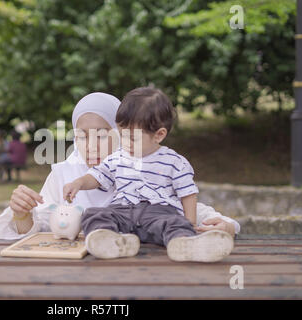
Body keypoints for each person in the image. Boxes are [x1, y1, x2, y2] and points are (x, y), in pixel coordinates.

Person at [0, 92, 240, 243]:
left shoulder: (143, 165)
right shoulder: (65, 173)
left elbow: (191, 211)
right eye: (82, 136)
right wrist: (21, 214)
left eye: (102, 134)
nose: (91, 146)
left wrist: (226, 226)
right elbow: (40, 224)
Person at [63, 87, 234, 262]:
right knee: (94, 214)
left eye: (132, 138)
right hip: (123, 210)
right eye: (122, 135)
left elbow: (188, 194)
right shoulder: (117, 158)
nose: (125, 143)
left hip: (158, 213)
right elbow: (97, 176)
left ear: (159, 135)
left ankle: (186, 244)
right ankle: (112, 241)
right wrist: (79, 183)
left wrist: (190, 224)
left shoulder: (174, 162)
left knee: (176, 223)